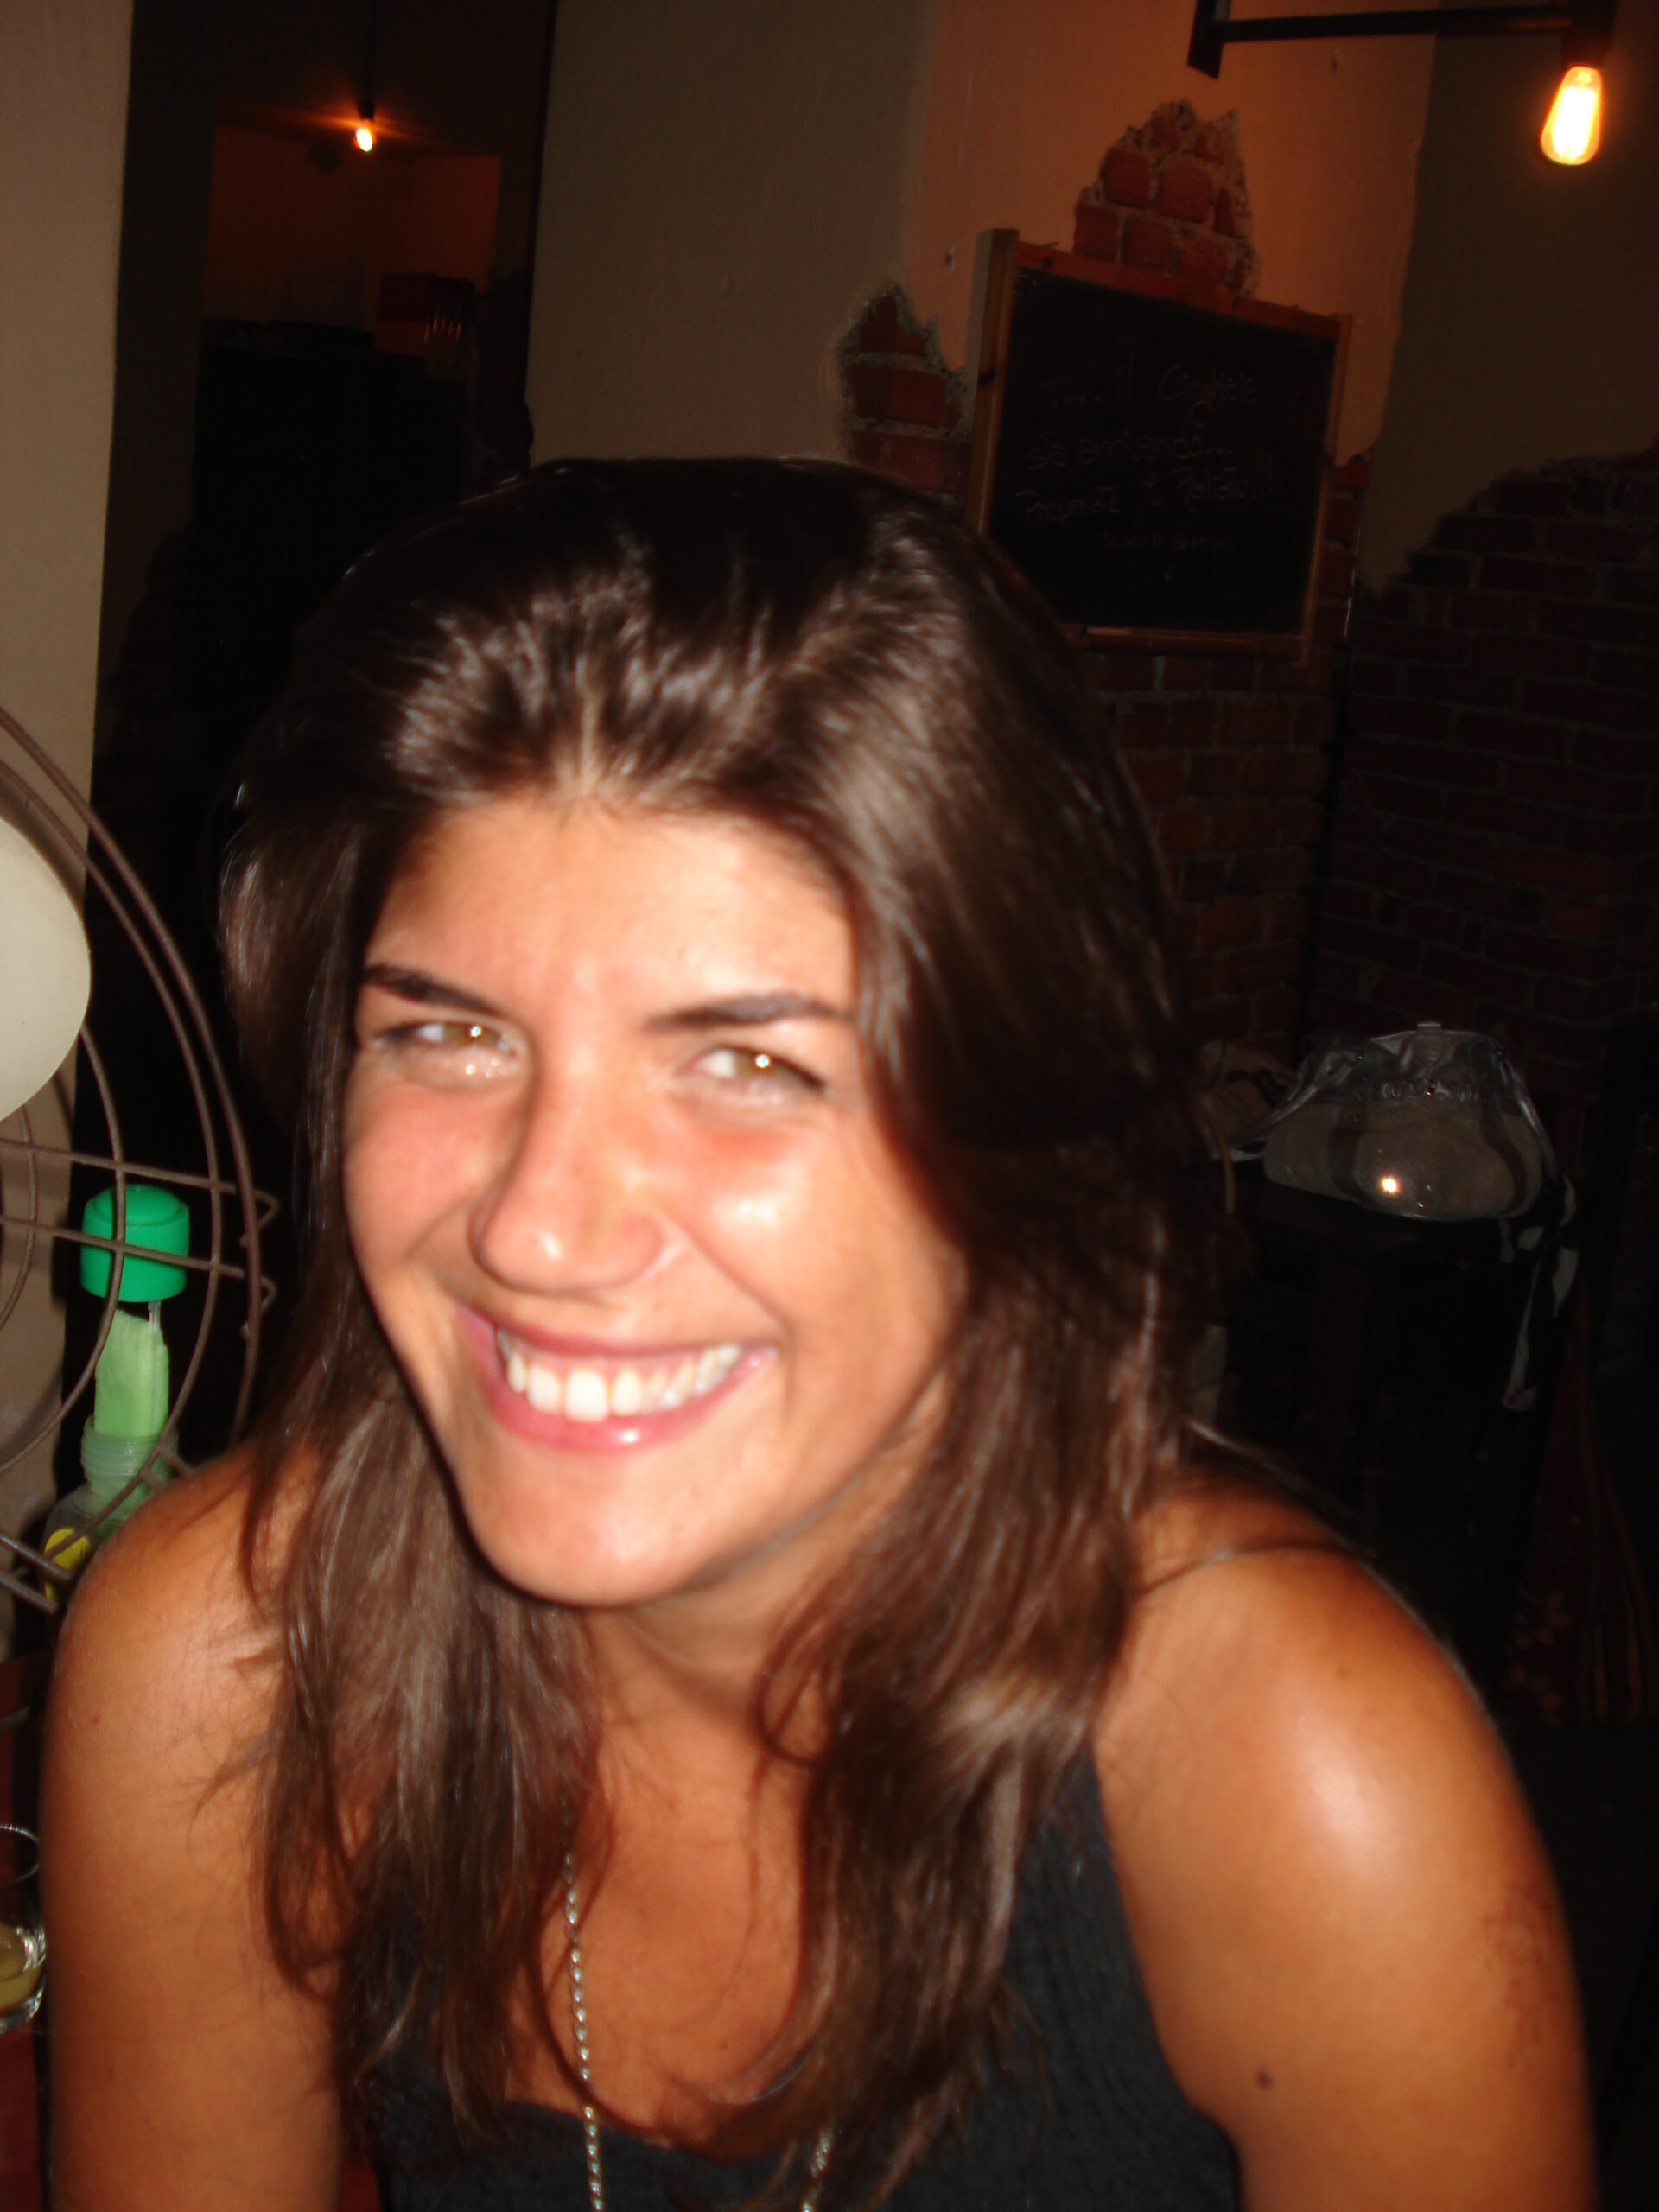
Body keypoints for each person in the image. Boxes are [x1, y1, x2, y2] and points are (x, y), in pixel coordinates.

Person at [42, 461, 1592, 2211]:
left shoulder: (1298, 1773)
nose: (537, 1227)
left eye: (749, 1062)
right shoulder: (227, 1672)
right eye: (452, 1035)